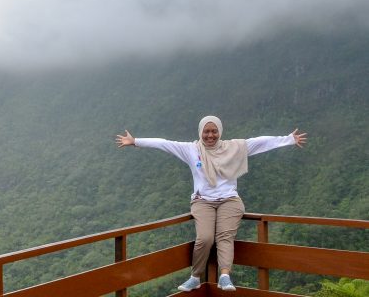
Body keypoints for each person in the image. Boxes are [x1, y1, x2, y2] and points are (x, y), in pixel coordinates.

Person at [115, 116, 307, 292]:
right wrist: (135, 142)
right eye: (206, 131)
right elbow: (165, 144)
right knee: (205, 238)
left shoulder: (233, 148)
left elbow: (260, 142)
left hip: (229, 200)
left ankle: (224, 276)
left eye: (214, 131)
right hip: (203, 201)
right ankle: (195, 276)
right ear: (201, 132)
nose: (210, 135)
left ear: (220, 132)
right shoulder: (192, 149)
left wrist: (289, 139)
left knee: (225, 236)